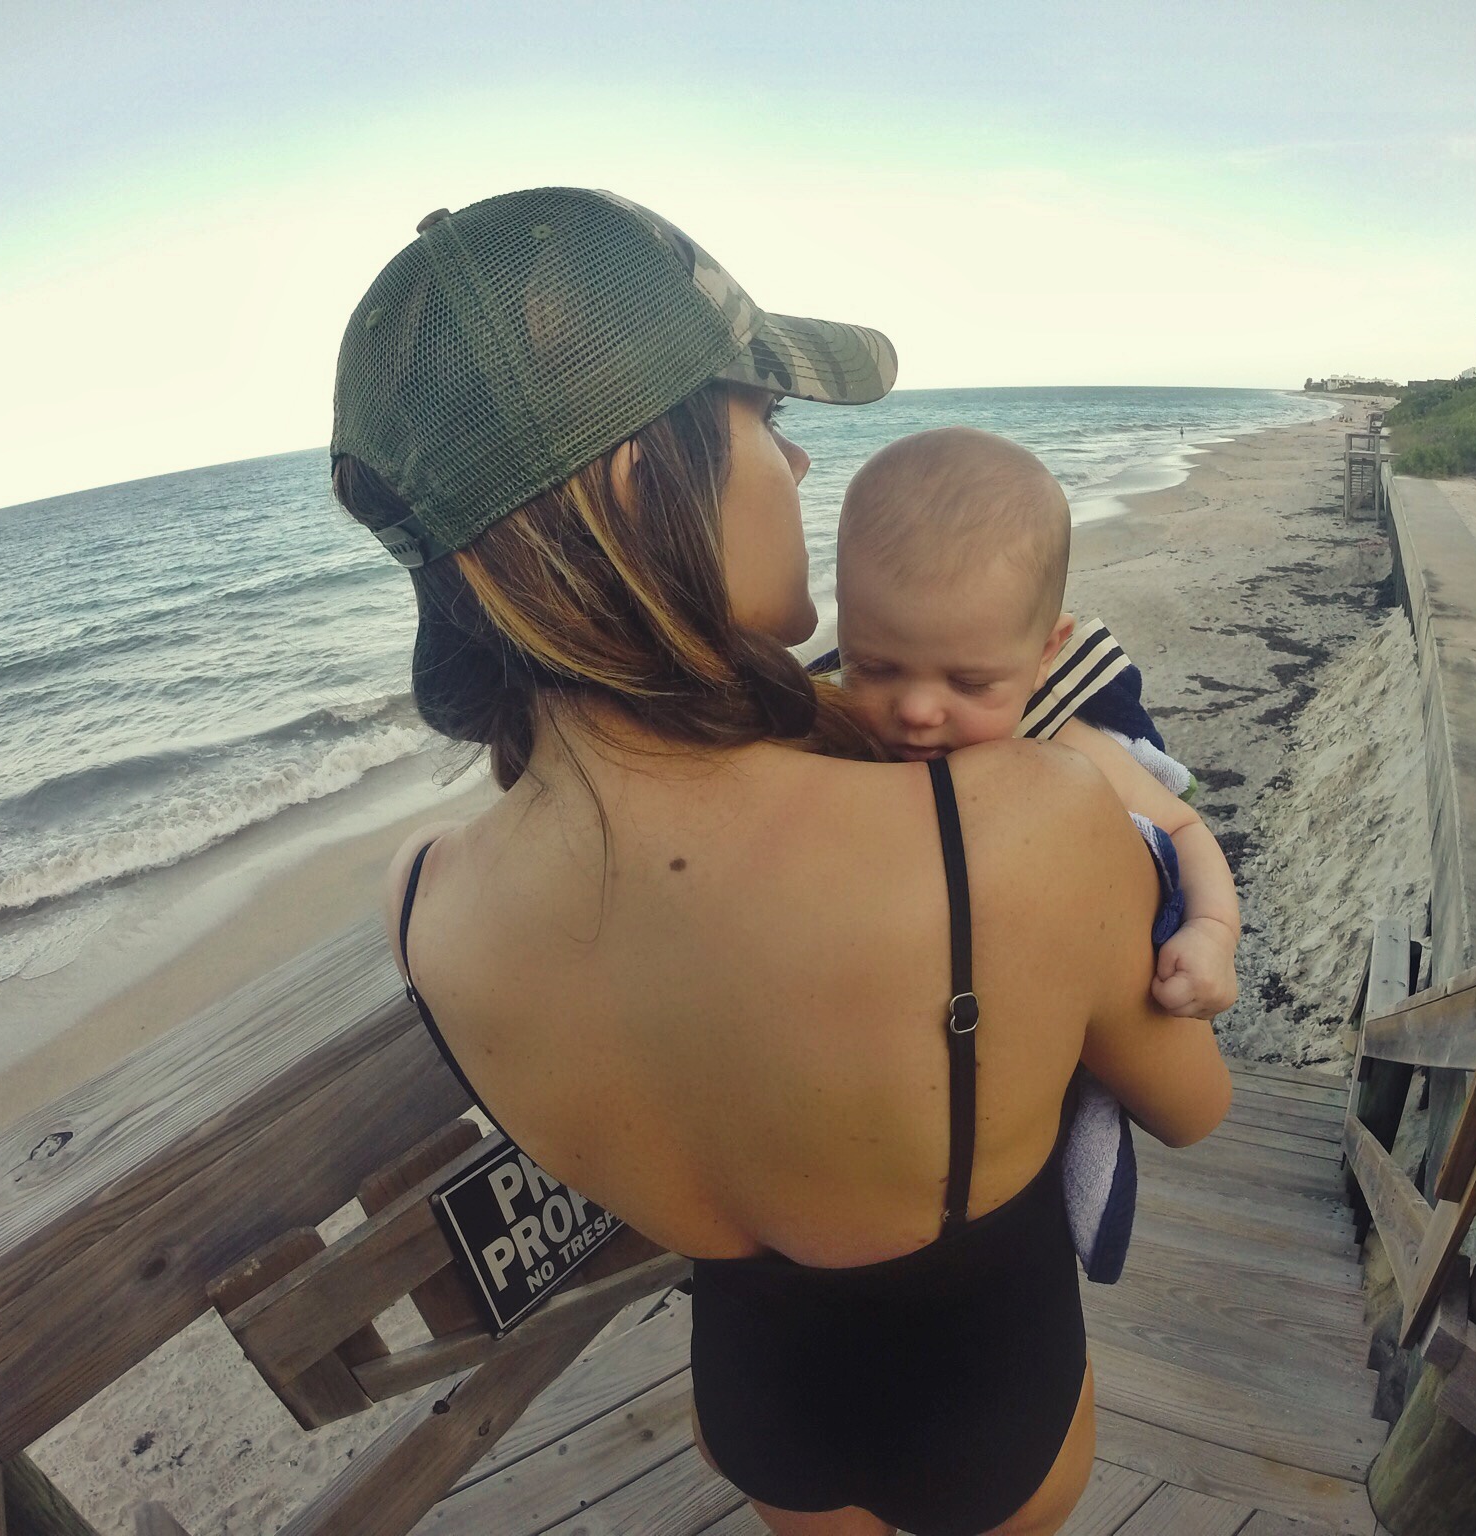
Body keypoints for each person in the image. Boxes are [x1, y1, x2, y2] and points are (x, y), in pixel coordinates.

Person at [329, 187, 1232, 1536]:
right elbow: (1190, 1106)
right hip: (987, 1406)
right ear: (643, 481)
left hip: (755, 1408)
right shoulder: (1009, 823)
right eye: (766, 416)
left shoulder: (422, 902)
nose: (801, 465)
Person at [831, 427, 1241, 1022]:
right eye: (872, 668)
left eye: (969, 683)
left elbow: (1180, 827)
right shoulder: (828, 730)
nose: (917, 710)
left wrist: (1212, 931)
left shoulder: (1057, 741)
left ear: (1045, 654)